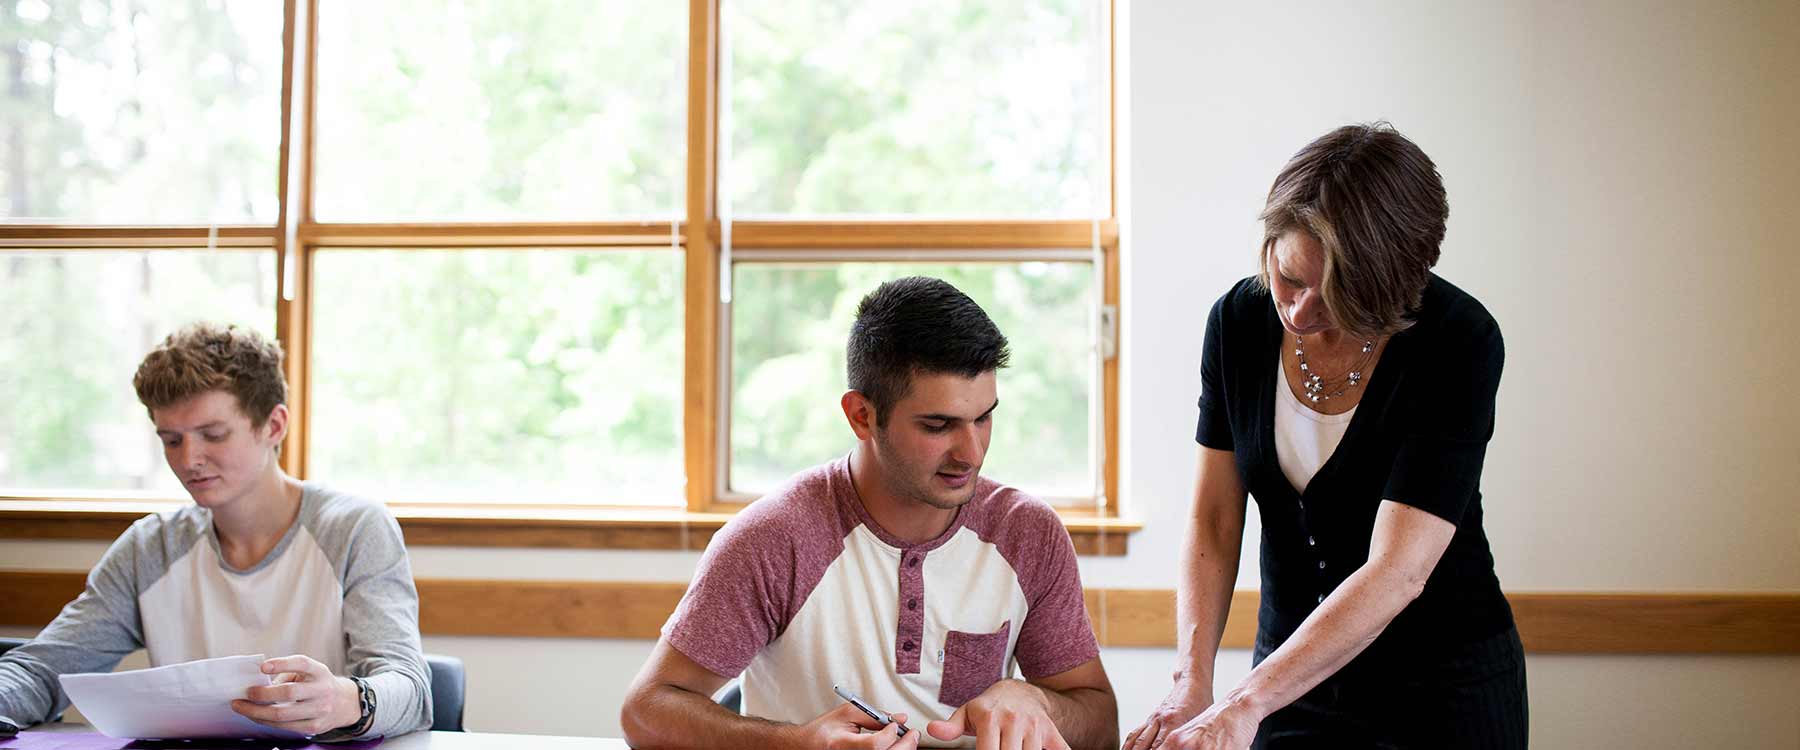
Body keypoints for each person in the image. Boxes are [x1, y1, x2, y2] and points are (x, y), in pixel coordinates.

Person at [1126, 124, 1527, 750]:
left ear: (1397, 284)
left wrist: (1241, 701)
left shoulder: (1458, 338)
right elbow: (1213, 519)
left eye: (1337, 295)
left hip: (1444, 690)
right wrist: (1192, 682)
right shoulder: (1237, 323)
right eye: (1289, 278)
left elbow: (1397, 570)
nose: (1300, 312)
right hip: (1288, 685)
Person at [621, 277, 1118, 749]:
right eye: (938, 424)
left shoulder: (1027, 533)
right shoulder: (775, 538)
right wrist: (793, 744)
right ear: (862, 415)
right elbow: (646, 710)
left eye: (983, 417)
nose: (971, 452)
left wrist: (1036, 701)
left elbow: (1101, 725)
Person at [0, 322, 432, 741]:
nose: (190, 460)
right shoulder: (149, 549)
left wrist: (345, 700)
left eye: (213, 434)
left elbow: (410, 692)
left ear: (274, 426)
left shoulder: (354, 529)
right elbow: (41, 669)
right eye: (171, 440)